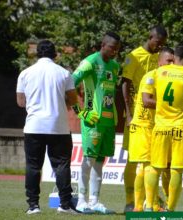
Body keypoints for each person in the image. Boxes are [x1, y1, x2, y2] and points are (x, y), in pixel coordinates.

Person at [16, 40, 80, 214]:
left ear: (37, 53)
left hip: (34, 126)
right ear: (55, 54)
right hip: (58, 126)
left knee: (33, 166)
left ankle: (33, 205)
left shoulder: (25, 73)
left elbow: (21, 102)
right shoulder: (64, 73)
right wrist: (58, 102)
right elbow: (73, 99)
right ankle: (65, 205)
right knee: (61, 165)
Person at [142, 43, 183, 211]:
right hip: (181, 127)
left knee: (155, 168)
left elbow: (147, 98)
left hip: (161, 126)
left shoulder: (158, 72)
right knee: (177, 170)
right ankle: (170, 210)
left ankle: (149, 206)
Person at [72, 32, 121, 214]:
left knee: (100, 162)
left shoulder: (115, 66)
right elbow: (69, 84)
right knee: (88, 159)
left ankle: (94, 201)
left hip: (108, 122)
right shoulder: (89, 62)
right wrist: (80, 111)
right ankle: (81, 201)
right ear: (103, 44)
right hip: (92, 120)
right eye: (112, 48)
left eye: (117, 49)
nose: (115, 52)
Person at [122, 25, 168, 212]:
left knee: (153, 159)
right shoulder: (134, 56)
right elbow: (124, 84)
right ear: (150, 37)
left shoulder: (161, 58)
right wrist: (129, 113)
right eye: (158, 42)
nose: (159, 46)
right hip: (137, 115)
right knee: (133, 159)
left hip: (155, 114)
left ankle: (151, 199)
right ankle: (130, 200)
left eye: (163, 44)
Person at [128, 47, 174, 211]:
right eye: (168, 61)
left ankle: (147, 205)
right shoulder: (151, 76)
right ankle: (143, 206)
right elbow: (147, 101)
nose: (171, 64)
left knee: (150, 167)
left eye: (173, 61)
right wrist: (171, 106)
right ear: (159, 61)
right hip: (143, 126)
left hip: (153, 127)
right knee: (147, 166)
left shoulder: (167, 79)